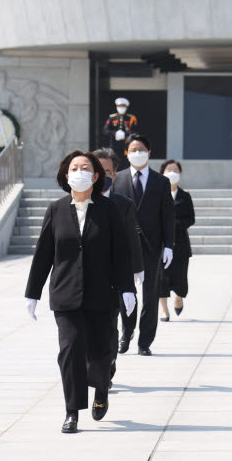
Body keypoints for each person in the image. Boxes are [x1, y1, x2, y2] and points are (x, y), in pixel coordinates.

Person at [24, 150, 135, 434]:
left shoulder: (109, 210)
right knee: (70, 351)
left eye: (86, 167)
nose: (80, 171)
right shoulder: (56, 209)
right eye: (74, 167)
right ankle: (71, 411)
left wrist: (127, 289)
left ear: (96, 176)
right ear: (65, 175)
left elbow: (120, 252)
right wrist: (32, 293)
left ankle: (100, 388)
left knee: (101, 351)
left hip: (102, 293)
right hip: (66, 294)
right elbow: (43, 254)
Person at [111, 134, 175, 356]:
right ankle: (126, 333)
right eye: (133, 149)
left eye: (141, 149)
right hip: (124, 246)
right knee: (125, 292)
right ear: (126, 153)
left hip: (151, 246)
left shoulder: (161, 182)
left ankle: (145, 341)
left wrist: (169, 245)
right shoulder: (117, 180)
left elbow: (168, 216)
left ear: (149, 152)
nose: (137, 153)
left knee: (150, 293)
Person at [92, 147, 145, 386]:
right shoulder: (76, 202)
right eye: (98, 171)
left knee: (109, 326)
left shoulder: (123, 204)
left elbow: (131, 239)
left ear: (115, 172)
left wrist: (137, 268)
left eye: (108, 171)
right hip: (84, 277)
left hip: (113, 277)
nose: (103, 176)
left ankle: (108, 362)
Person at [158, 159, 195, 320]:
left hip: (180, 244)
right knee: (161, 279)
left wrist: (173, 225)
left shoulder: (185, 196)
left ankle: (178, 298)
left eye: (175, 170)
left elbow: (190, 219)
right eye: (169, 170)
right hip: (160, 244)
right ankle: (164, 310)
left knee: (179, 277)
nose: (172, 173)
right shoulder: (157, 194)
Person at [102, 97, 138, 168]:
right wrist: (115, 133)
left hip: (126, 146)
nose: (121, 108)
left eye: (123, 106)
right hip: (114, 145)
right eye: (119, 106)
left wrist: (125, 134)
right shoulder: (112, 117)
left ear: (126, 107)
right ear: (116, 107)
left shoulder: (131, 118)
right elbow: (105, 130)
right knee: (114, 164)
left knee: (125, 165)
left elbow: (135, 132)